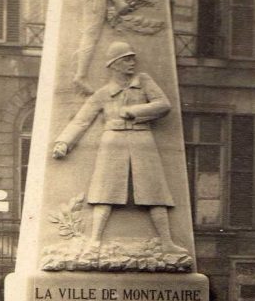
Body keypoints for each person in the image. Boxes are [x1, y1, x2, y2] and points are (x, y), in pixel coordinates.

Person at [53, 41, 189, 262]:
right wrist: (64, 143)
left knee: (155, 192)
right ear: (114, 65)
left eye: (132, 58)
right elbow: (81, 120)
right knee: (105, 193)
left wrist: (133, 111)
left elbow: (163, 105)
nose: (132, 63)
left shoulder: (143, 82)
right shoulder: (103, 93)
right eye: (126, 59)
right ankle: (94, 242)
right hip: (113, 141)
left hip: (142, 138)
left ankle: (167, 242)